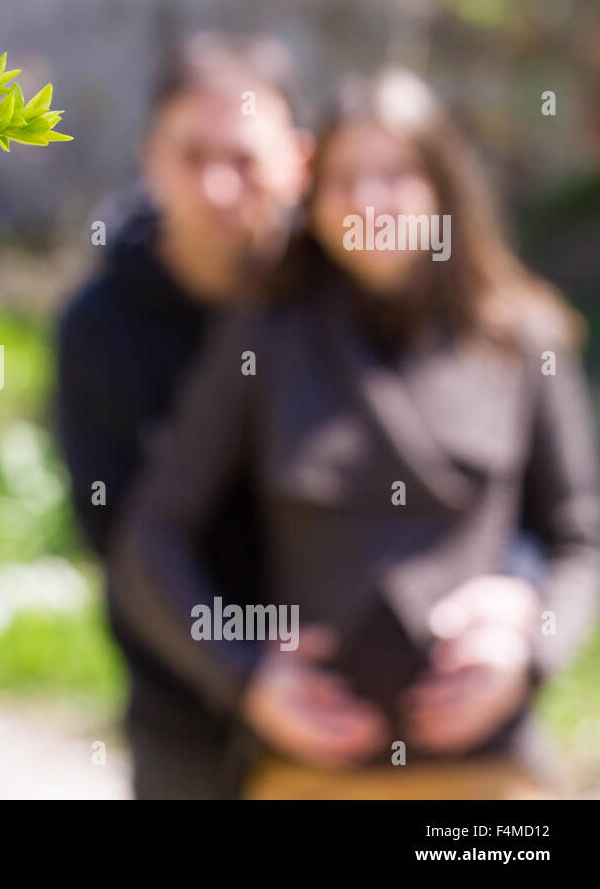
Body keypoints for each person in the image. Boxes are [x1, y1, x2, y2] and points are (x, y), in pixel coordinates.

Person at [108, 67, 600, 797]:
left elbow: (581, 534)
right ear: (313, 199)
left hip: (487, 775)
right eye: (344, 179)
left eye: (396, 175)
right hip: (311, 773)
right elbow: (152, 538)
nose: (370, 201)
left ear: (443, 189)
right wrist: (245, 676)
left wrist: (527, 650)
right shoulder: (265, 338)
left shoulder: (523, 338)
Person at [55, 33, 312, 798]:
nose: (220, 187)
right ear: (149, 158)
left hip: (346, 703)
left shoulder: (335, 304)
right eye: (193, 157)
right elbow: (117, 534)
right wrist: (244, 669)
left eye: (245, 160)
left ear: (298, 160)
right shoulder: (101, 326)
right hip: (181, 709)